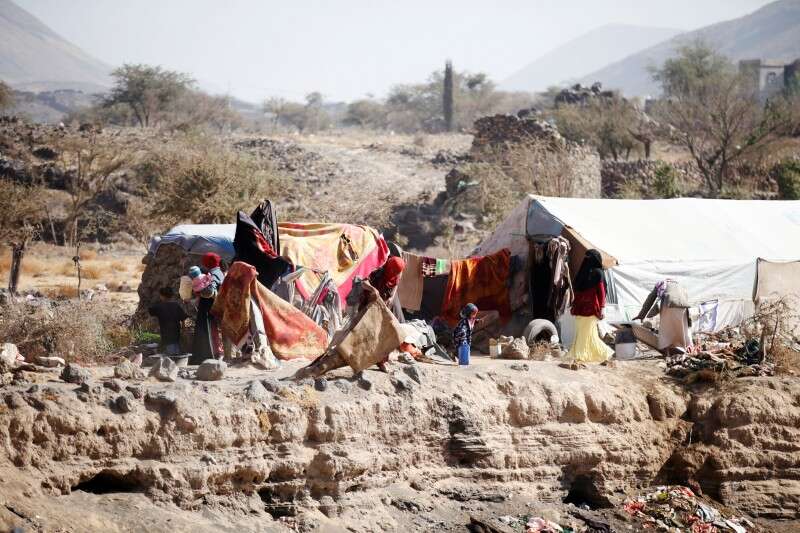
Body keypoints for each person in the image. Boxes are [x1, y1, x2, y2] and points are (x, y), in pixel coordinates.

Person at [569, 249, 614, 364]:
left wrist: (602, 308)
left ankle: (580, 356)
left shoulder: (598, 273)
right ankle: (603, 354)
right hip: (580, 309)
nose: (587, 260)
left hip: (591, 310)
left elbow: (602, 293)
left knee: (585, 334)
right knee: (586, 334)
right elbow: (576, 291)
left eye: (589, 257)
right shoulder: (582, 273)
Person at [634, 279, 692, 353]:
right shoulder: (680, 286)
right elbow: (685, 298)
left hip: (668, 303)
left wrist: (641, 315)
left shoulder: (660, 284)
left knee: (666, 328)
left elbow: (650, 299)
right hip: (684, 306)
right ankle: (687, 348)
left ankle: (666, 349)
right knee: (683, 329)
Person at [190, 252, 225, 364]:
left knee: (208, 330)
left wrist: (199, 292)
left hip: (208, 307)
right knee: (213, 330)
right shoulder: (219, 272)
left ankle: (208, 355)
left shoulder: (213, 274)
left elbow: (210, 291)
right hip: (214, 306)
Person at [148, 287, 188, 355]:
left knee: (170, 348)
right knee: (175, 345)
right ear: (172, 295)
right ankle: (175, 356)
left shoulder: (159, 306)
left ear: (162, 296)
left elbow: (151, 311)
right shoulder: (176, 305)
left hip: (166, 332)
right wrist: (184, 330)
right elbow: (183, 318)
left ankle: (172, 358)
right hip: (176, 331)